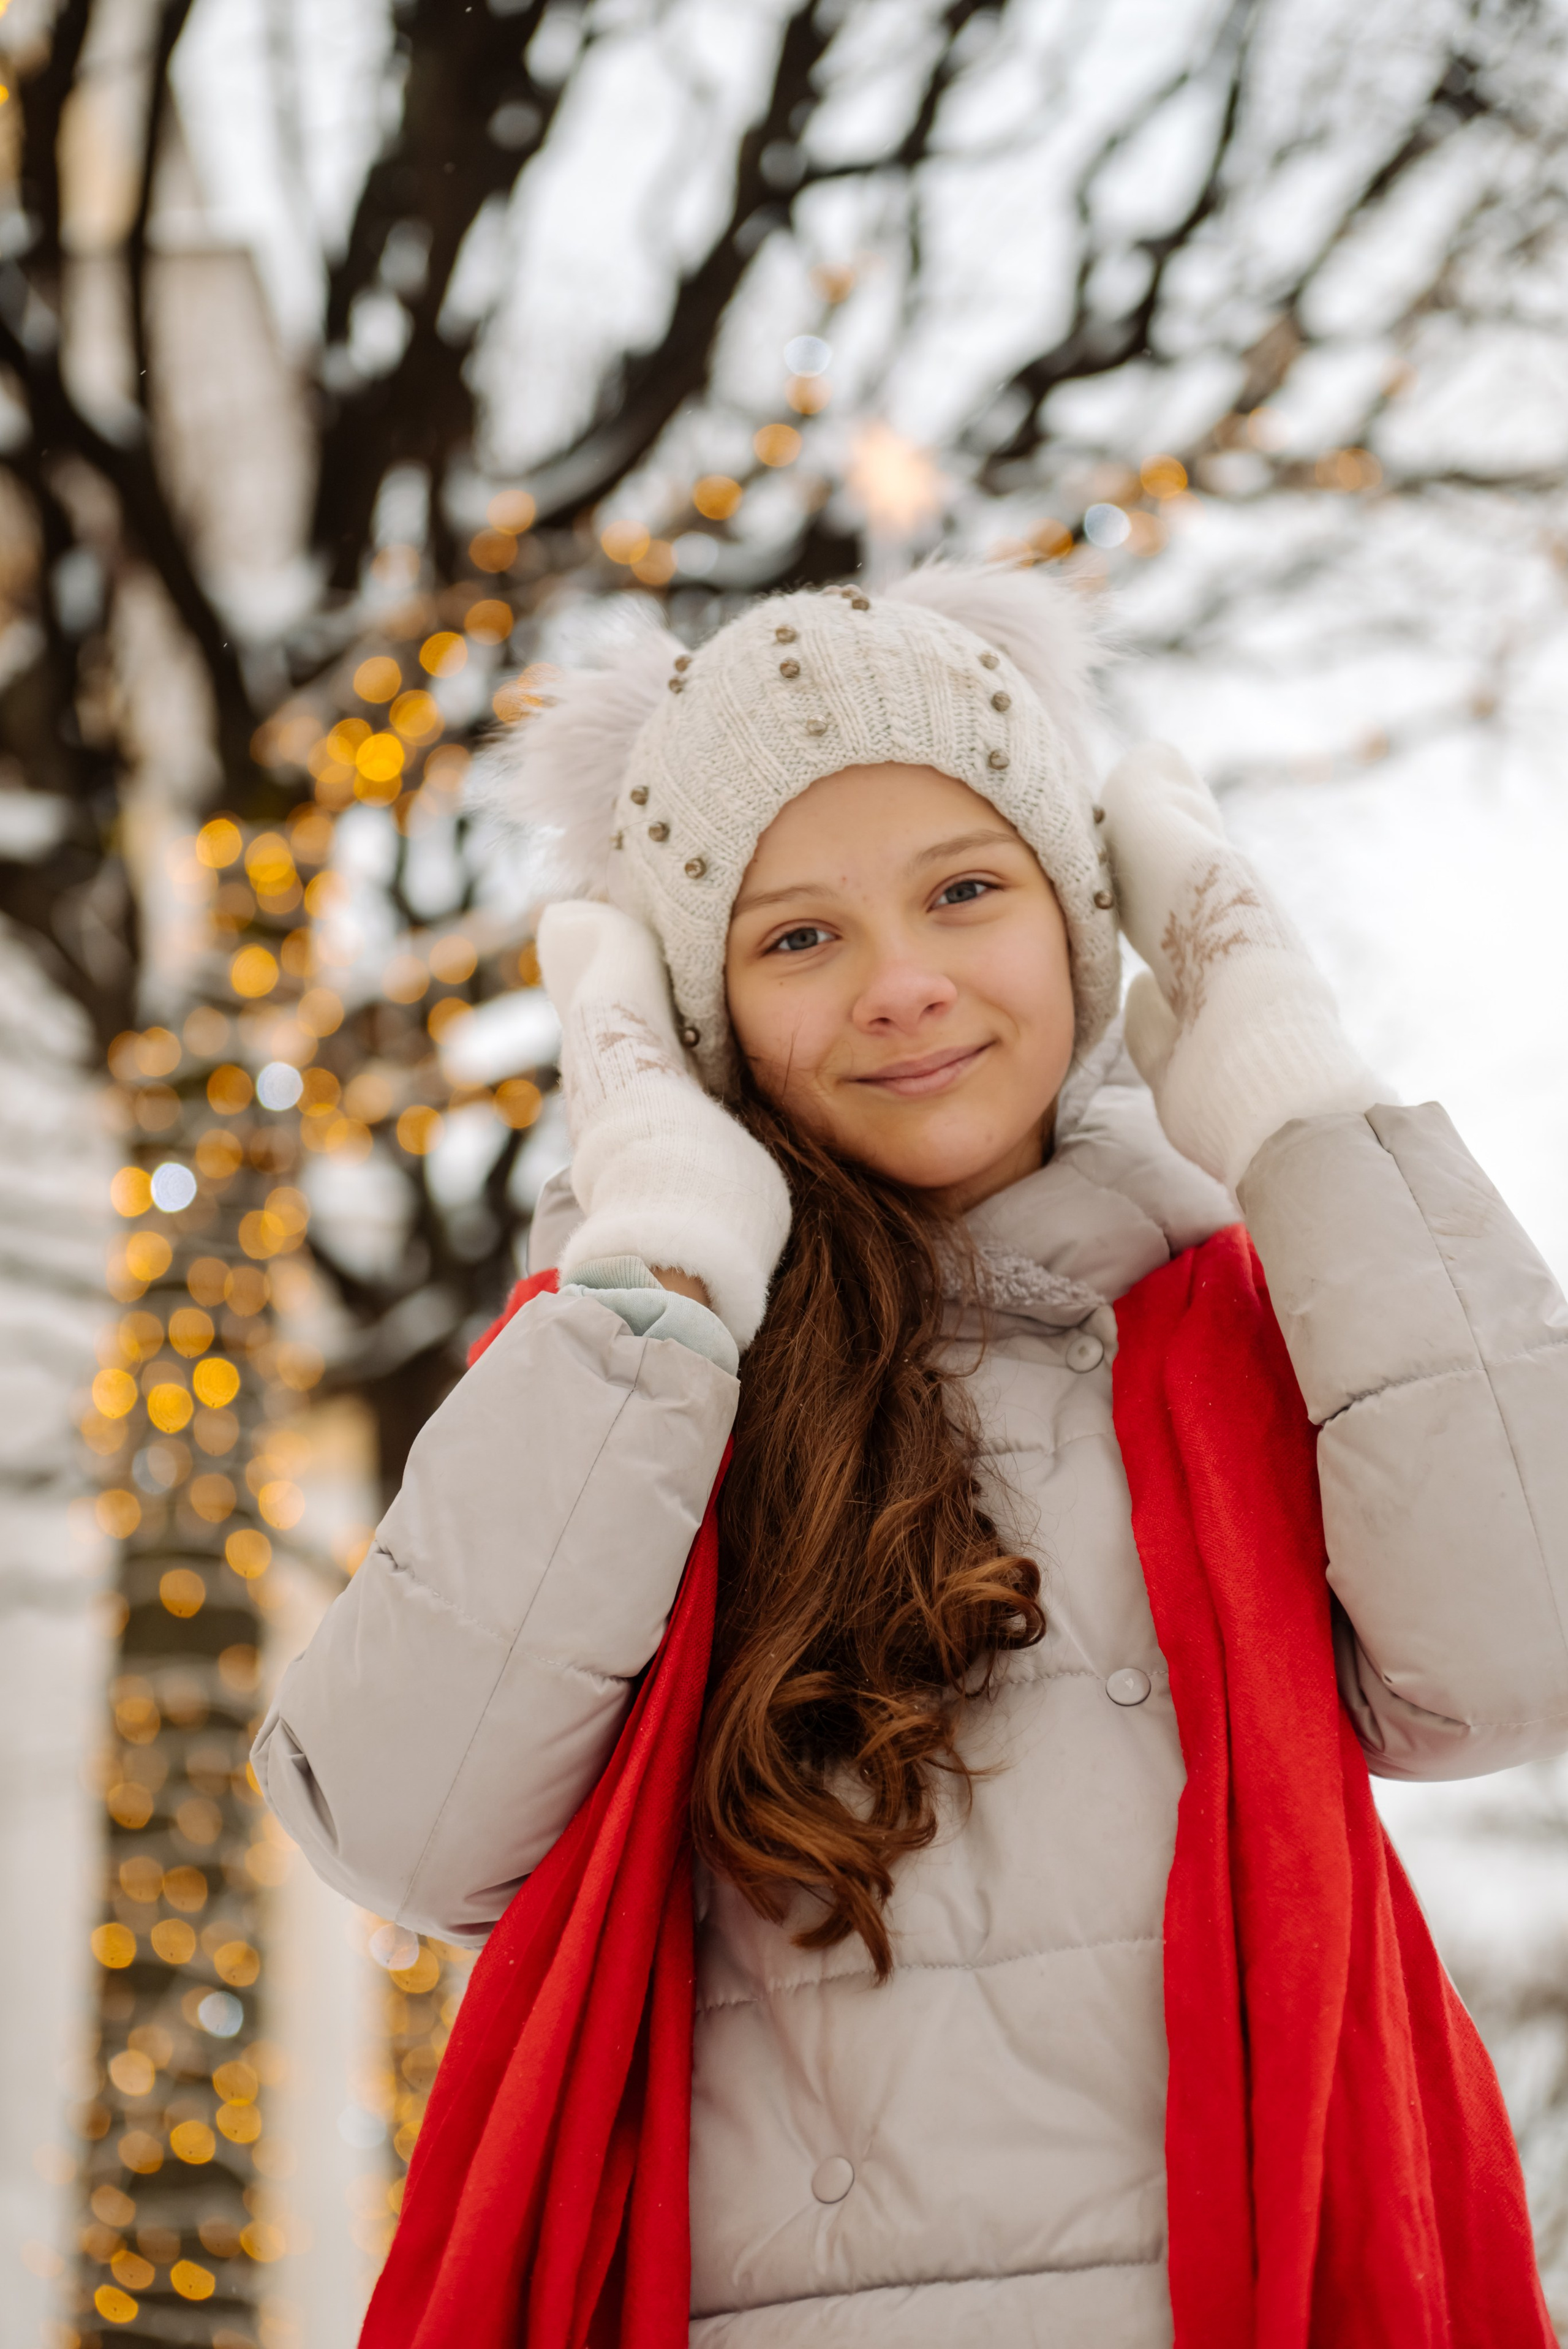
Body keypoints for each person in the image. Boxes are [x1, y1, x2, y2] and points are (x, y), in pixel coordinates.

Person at [254, 564, 1568, 2345]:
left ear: (1081, 915)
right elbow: (404, 1825)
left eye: (966, 890)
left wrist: (1300, 1108)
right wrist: (658, 1275)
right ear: (705, 1016)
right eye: (798, 936)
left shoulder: (1256, 1325)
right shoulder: (642, 1369)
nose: (902, 985)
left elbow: (1516, 1659)